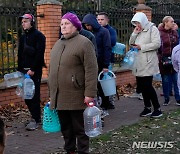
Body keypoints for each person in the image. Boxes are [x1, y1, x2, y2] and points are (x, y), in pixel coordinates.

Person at [48, 12, 98, 154]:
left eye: (67, 23)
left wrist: (89, 93)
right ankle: (70, 150)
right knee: (66, 128)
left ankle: (83, 151)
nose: (63, 26)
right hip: (60, 95)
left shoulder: (84, 43)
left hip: (77, 95)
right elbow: (52, 70)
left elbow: (91, 69)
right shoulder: (58, 43)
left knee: (80, 129)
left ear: (75, 26)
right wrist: (51, 93)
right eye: (62, 24)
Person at [129, 12, 162, 118]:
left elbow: (157, 44)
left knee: (148, 85)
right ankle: (147, 107)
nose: (137, 25)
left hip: (148, 62)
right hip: (138, 62)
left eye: (138, 22)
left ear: (143, 20)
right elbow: (130, 43)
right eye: (135, 23)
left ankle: (157, 108)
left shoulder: (153, 29)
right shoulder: (138, 30)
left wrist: (141, 47)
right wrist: (134, 33)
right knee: (142, 86)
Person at [18, 13, 46, 130]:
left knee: (34, 95)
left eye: (25, 21)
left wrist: (33, 69)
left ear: (32, 22)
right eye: (22, 22)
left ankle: (36, 119)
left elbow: (39, 54)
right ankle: (34, 117)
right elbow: (20, 54)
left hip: (34, 71)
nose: (23, 24)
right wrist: (19, 69)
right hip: (24, 72)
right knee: (26, 96)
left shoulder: (39, 36)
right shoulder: (23, 37)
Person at [82, 13, 113, 110]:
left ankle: (106, 103)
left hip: (100, 62)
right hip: (91, 62)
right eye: (86, 25)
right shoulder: (86, 33)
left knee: (101, 85)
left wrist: (105, 65)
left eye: (88, 25)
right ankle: (96, 103)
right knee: (92, 84)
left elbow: (107, 48)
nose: (88, 27)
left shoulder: (104, 32)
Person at [158, 16, 180, 106]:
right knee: (166, 79)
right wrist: (160, 56)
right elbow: (158, 46)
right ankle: (166, 98)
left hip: (174, 58)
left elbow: (177, 44)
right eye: (171, 21)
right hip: (164, 59)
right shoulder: (159, 33)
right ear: (166, 22)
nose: (173, 23)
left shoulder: (174, 32)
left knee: (176, 79)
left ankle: (178, 98)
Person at [97, 12, 117, 108]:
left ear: (107, 20)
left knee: (108, 82)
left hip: (108, 60)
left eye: (102, 19)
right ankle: (103, 101)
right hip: (99, 60)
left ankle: (110, 102)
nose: (100, 21)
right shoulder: (96, 30)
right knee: (100, 82)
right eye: (98, 20)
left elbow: (112, 42)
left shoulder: (110, 30)